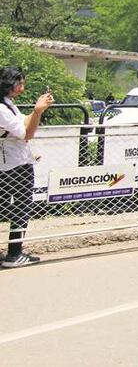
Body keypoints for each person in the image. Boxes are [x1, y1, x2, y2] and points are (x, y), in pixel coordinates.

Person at [0, 66, 53, 268]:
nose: (22, 87)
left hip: (11, 162)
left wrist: (36, 111)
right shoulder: (2, 108)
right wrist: (38, 111)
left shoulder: (7, 104)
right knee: (21, 206)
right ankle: (14, 254)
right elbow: (26, 133)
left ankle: (13, 251)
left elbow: (23, 122)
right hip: (14, 164)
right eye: (20, 83)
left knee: (7, 207)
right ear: (9, 84)